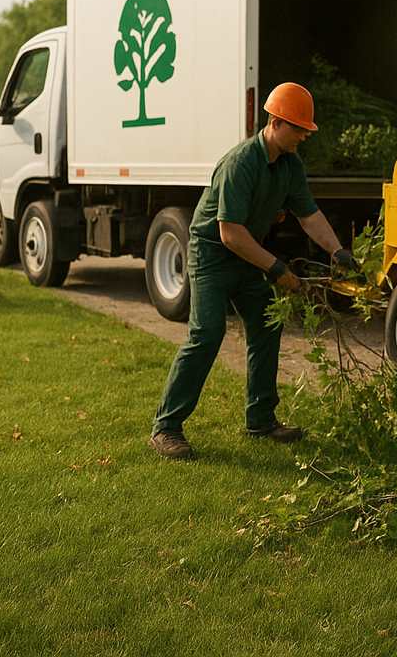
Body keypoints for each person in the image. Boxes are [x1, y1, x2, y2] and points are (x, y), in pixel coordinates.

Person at [149, 82, 359, 459]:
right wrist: (278, 268)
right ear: (276, 123)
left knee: (266, 323)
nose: (303, 137)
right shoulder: (240, 164)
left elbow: (309, 216)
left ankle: (260, 419)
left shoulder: (291, 165)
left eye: (306, 130)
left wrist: (339, 251)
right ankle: (166, 428)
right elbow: (229, 234)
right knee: (207, 332)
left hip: (247, 255)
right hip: (212, 255)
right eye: (298, 129)